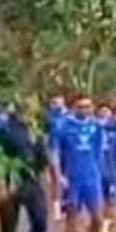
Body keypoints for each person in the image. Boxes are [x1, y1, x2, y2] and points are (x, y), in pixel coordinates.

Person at [0, 102, 48, 232]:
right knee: (9, 228)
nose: (26, 114)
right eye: (23, 111)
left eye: (29, 112)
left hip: (31, 181)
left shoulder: (35, 132)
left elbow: (43, 158)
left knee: (41, 222)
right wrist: (1, 183)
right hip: (10, 180)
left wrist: (42, 174)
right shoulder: (3, 129)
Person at [50, 96, 105, 232]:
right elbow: (55, 153)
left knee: (97, 218)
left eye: (88, 106)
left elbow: (98, 151)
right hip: (72, 178)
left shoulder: (96, 126)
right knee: (72, 217)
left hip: (92, 177)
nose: (85, 110)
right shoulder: (62, 126)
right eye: (81, 107)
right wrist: (59, 175)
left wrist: (98, 173)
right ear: (74, 108)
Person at [97, 103, 116, 232]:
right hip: (98, 169)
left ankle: (106, 226)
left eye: (107, 111)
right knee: (99, 199)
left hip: (113, 169)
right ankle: (101, 225)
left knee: (112, 199)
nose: (105, 114)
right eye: (102, 111)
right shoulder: (94, 128)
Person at [45, 94, 70, 223]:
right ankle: (57, 210)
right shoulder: (49, 117)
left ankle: (65, 206)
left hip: (68, 152)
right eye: (52, 102)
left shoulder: (69, 117)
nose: (55, 105)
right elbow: (45, 136)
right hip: (54, 150)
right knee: (57, 179)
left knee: (68, 179)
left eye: (57, 102)